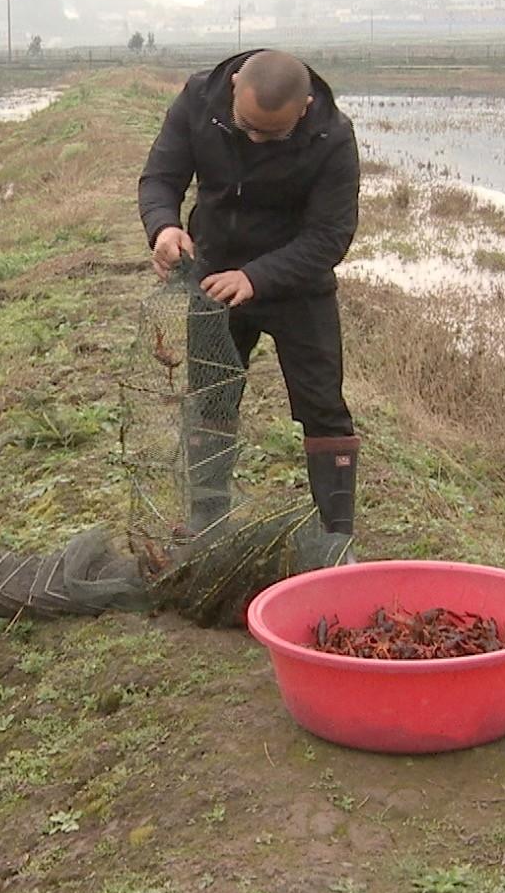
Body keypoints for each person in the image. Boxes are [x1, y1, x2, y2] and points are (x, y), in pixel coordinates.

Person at [137, 48, 360, 537]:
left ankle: (336, 536)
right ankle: (207, 525)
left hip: (298, 287)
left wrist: (256, 277)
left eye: (271, 133)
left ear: (302, 110)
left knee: (323, 407)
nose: (256, 139)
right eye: (247, 126)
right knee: (212, 399)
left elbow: (330, 236)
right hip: (214, 277)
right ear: (235, 84)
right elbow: (161, 177)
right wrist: (164, 228)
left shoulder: (333, 136)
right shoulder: (198, 99)